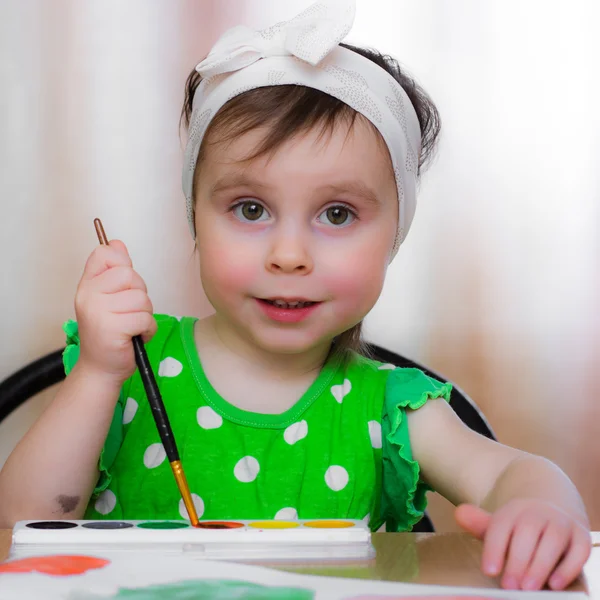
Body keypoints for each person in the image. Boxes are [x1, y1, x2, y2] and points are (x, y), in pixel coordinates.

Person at [0, 0, 591, 591]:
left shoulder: (392, 410)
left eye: (337, 214)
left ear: (394, 238)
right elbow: (21, 521)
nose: (289, 254)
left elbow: (515, 474)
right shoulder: (128, 365)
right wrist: (99, 374)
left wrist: (543, 509)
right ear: (195, 222)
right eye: (250, 209)